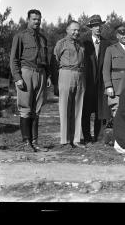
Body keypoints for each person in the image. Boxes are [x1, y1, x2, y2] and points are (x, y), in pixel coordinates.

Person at [10, 9, 51, 152]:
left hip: (41, 74)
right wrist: (17, 77)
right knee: (25, 108)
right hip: (26, 72)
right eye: (34, 19)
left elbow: (46, 60)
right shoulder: (20, 36)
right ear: (28, 20)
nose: (37, 22)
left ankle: (35, 142)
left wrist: (48, 76)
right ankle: (26, 142)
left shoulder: (43, 38)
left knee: (37, 109)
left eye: (39, 19)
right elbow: (14, 59)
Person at [53, 21, 86, 148]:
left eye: (78, 30)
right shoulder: (61, 43)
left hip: (80, 75)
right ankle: (65, 140)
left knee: (78, 107)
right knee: (65, 107)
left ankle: (76, 139)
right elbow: (54, 61)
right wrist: (56, 82)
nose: (76, 32)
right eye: (74, 30)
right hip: (66, 73)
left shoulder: (81, 45)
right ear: (67, 30)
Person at [80, 14, 111, 146]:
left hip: (101, 83)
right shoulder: (83, 41)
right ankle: (87, 137)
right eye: (95, 26)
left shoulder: (106, 43)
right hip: (87, 82)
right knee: (86, 111)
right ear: (91, 28)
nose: (98, 28)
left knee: (101, 111)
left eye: (99, 25)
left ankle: (98, 137)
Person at [103, 22, 125, 117]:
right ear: (117, 36)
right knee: (118, 114)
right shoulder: (110, 49)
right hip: (116, 87)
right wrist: (108, 86)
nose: (124, 36)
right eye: (122, 34)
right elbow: (105, 70)